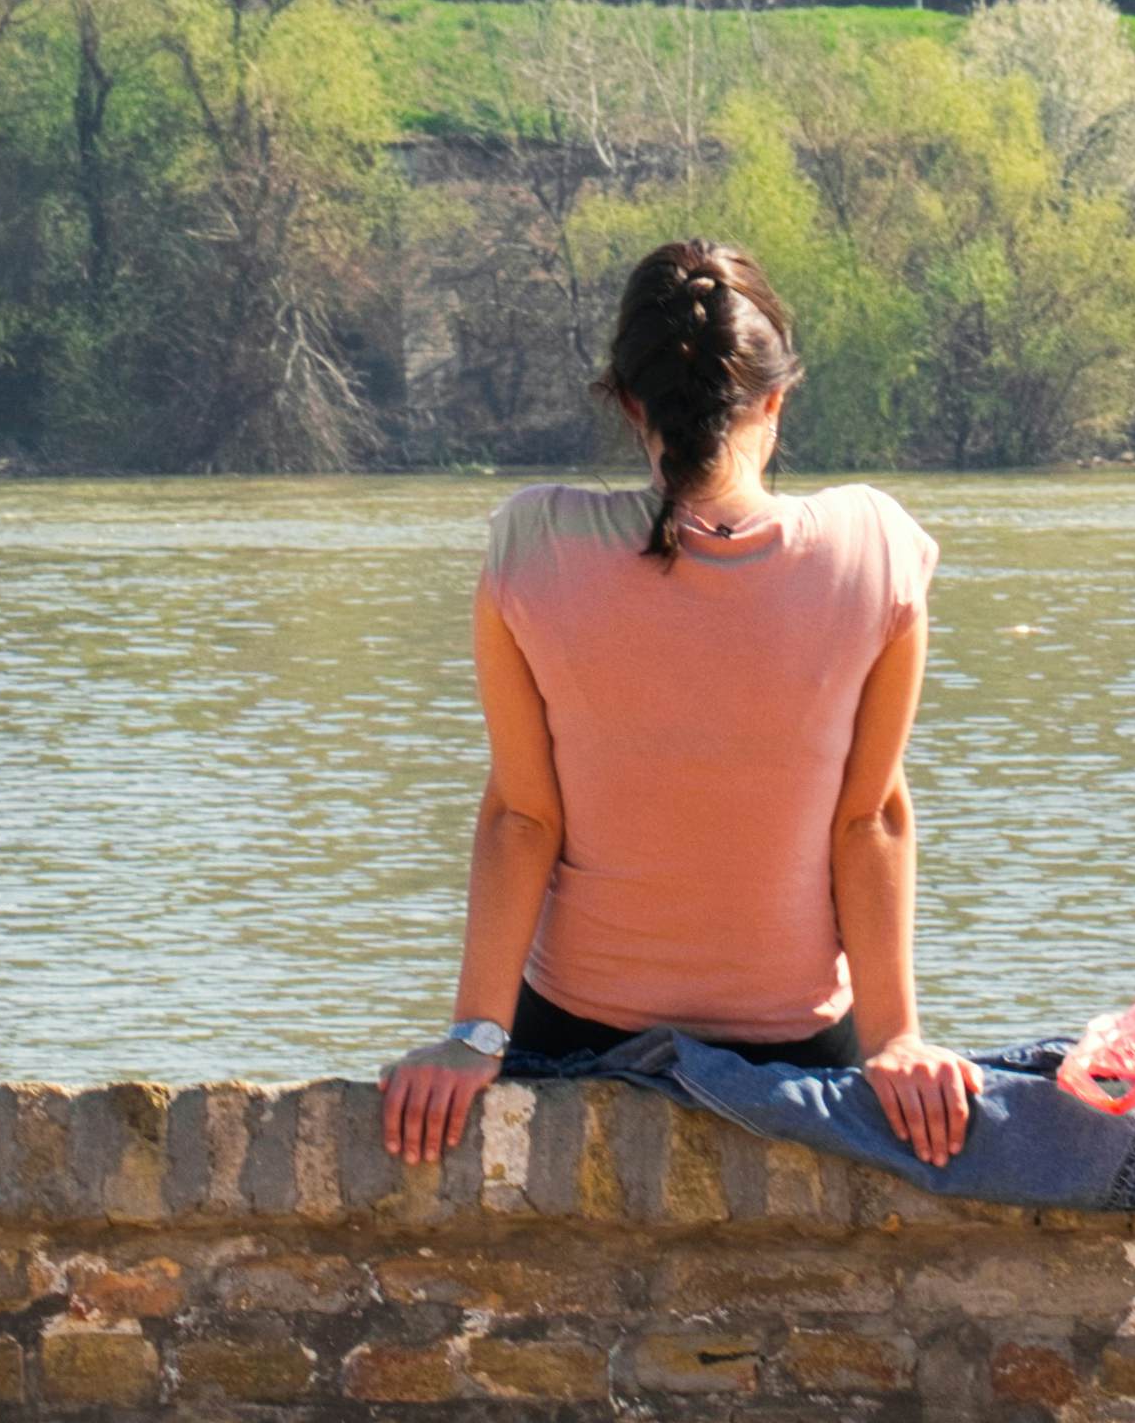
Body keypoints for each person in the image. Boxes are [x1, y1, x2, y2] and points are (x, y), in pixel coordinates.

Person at [378, 239, 978, 1170]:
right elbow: (870, 817)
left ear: (628, 401)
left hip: (577, 1039)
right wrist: (899, 1039)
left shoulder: (532, 545)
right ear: (776, 396)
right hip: (799, 1050)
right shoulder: (878, 547)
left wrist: (475, 1038)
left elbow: (522, 816)